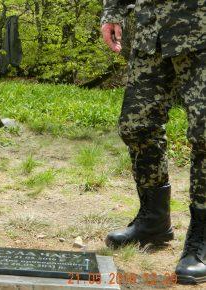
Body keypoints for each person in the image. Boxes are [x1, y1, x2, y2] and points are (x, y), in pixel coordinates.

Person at [101, 0, 206, 285]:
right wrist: (113, 12)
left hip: (200, 27)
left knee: (204, 136)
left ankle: (202, 237)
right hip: (152, 30)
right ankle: (154, 221)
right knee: (136, 126)